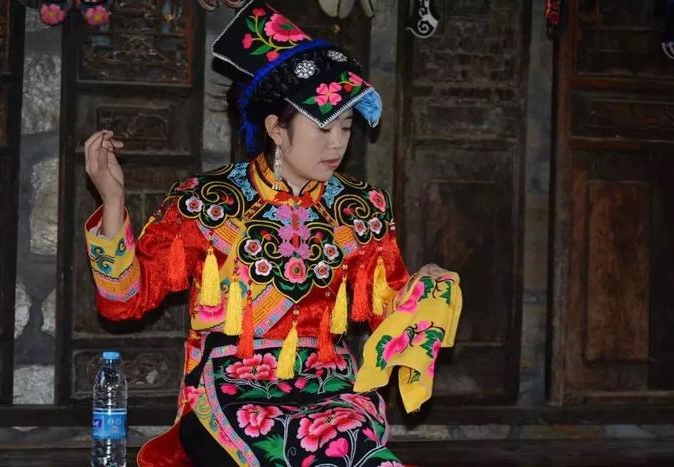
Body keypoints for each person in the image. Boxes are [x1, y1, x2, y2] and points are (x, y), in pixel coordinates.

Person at [83, 1, 462, 465]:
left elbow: (390, 311)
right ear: (277, 130)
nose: (338, 143)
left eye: (346, 127)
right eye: (323, 128)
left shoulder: (362, 208)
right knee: (288, 439)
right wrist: (113, 201)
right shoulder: (207, 202)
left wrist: (425, 289)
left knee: (352, 440)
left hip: (331, 388)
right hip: (234, 390)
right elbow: (122, 301)